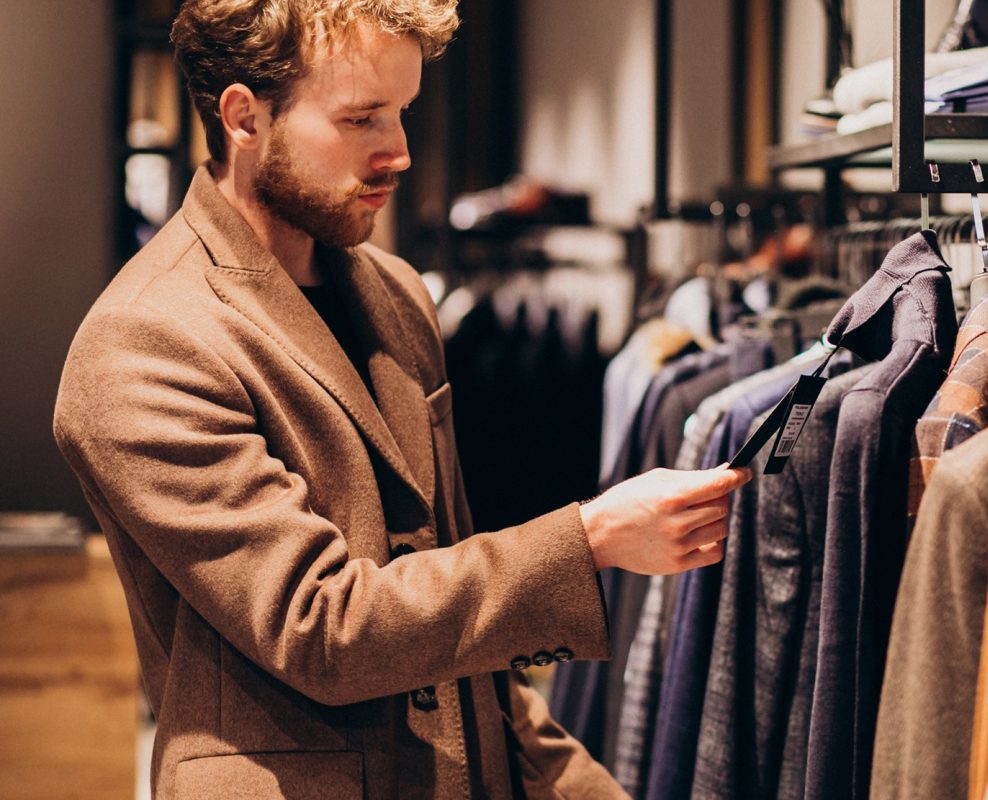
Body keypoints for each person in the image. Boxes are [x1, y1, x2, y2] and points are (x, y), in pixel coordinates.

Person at [51, 1, 747, 798]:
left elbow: (462, 638)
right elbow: (323, 628)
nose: (400, 152)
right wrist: (588, 541)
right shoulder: (144, 343)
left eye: (403, 113)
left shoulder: (395, 295)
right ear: (245, 117)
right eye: (362, 118)